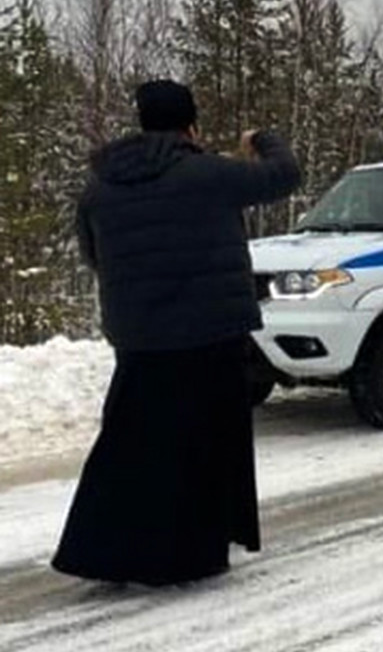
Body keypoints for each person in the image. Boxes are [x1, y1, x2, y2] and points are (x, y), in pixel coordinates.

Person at [52, 79, 301, 586]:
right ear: (191, 123)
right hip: (210, 331)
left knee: (130, 444)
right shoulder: (209, 173)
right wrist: (262, 139)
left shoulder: (101, 186)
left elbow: (93, 256)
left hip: (139, 336)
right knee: (203, 445)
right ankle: (188, 556)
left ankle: (100, 551)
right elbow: (285, 175)